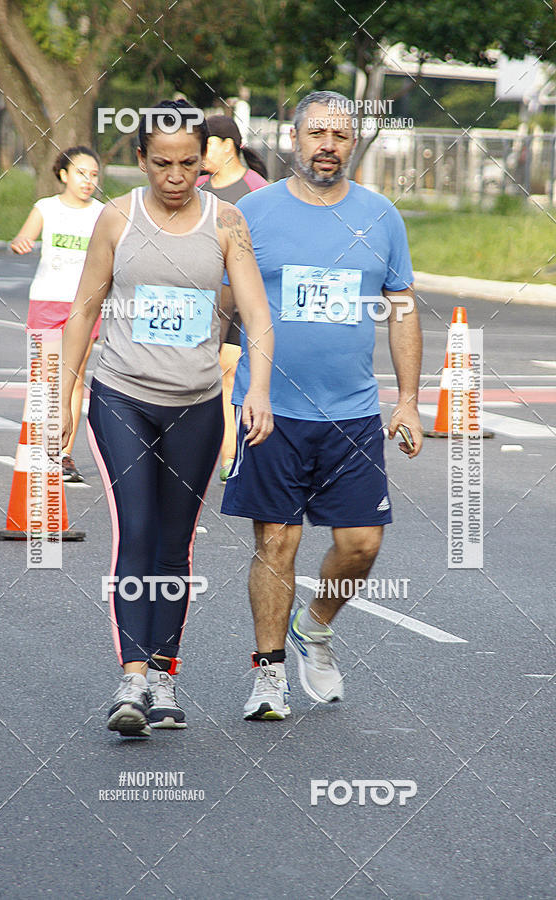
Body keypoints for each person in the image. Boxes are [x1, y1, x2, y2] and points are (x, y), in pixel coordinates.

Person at [60, 100, 273, 737]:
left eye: (187, 163)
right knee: (138, 529)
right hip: (121, 394)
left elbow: (258, 315)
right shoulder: (117, 219)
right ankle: (131, 676)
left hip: (198, 403)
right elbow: (81, 312)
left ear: (205, 158)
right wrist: (62, 401)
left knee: (176, 543)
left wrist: (256, 389)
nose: (175, 177)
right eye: (161, 164)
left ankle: (163, 676)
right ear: (140, 159)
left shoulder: (227, 221)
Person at [221, 90, 423, 721]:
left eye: (340, 135)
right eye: (316, 133)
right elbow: (222, 307)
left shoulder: (381, 215)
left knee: (362, 543)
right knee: (276, 542)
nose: (327, 145)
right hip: (270, 409)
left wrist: (410, 401)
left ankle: (316, 625)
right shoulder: (250, 212)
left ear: (353, 142)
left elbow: (403, 309)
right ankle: (269, 675)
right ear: (294, 139)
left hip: (352, 412)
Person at [11, 146, 103, 483]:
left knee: (75, 375)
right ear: (64, 174)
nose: (88, 181)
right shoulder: (46, 208)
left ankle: (63, 454)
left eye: (94, 175)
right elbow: (24, 236)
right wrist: (21, 242)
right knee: (46, 376)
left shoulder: (102, 213)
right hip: (48, 300)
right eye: (81, 173)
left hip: (85, 305)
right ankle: (36, 448)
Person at [197, 115, 268, 481]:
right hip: (203, 298)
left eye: (205, 144)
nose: (198, 152)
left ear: (227, 145)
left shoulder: (258, 189)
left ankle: (230, 457)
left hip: (243, 299)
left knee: (228, 371)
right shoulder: (198, 188)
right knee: (204, 377)